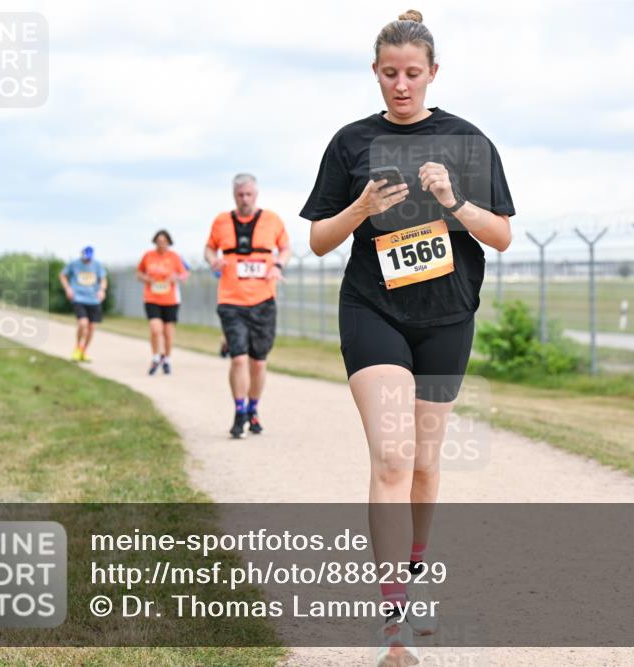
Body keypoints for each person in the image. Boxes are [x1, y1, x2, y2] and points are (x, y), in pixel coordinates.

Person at [300, 10, 514, 665]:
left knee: (423, 462)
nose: (400, 84)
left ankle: (416, 578)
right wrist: (360, 209)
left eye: (412, 73)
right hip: (374, 310)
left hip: (447, 316)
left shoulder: (467, 141)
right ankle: (391, 619)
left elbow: (502, 234)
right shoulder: (350, 143)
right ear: (375, 72)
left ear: (432, 74)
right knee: (391, 459)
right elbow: (316, 239)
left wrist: (454, 202)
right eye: (389, 73)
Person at [204, 173, 291, 438]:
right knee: (238, 358)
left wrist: (277, 265)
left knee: (258, 363)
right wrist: (213, 261)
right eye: (240, 195)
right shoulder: (221, 221)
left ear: (256, 194)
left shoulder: (272, 220)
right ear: (234, 196)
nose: (244, 199)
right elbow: (209, 249)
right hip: (231, 300)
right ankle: (239, 410)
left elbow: (285, 248)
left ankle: (253, 409)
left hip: (263, 300)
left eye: (249, 194)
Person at [137, 230, 190, 375]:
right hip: (152, 298)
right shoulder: (148, 256)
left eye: (164, 241)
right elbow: (139, 273)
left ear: (168, 242)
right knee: (156, 329)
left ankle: (166, 359)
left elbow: (185, 274)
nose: (161, 244)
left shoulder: (175, 257)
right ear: (155, 242)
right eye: (159, 241)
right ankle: (155, 357)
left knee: (168, 333)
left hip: (170, 299)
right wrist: (146, 279)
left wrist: (176, 278)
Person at [59, 246, 108, 362]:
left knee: (91, 328)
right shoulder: (74, 264)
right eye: (85, 258)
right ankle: (77, 347)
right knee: (83, 323)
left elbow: (103, 279)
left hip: (94, 300)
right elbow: (62, 275)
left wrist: (102, 290)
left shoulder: (97, 265)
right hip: (79, 298)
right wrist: (68, 288)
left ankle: (83, 350)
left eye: (89, 259)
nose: (87, 261)